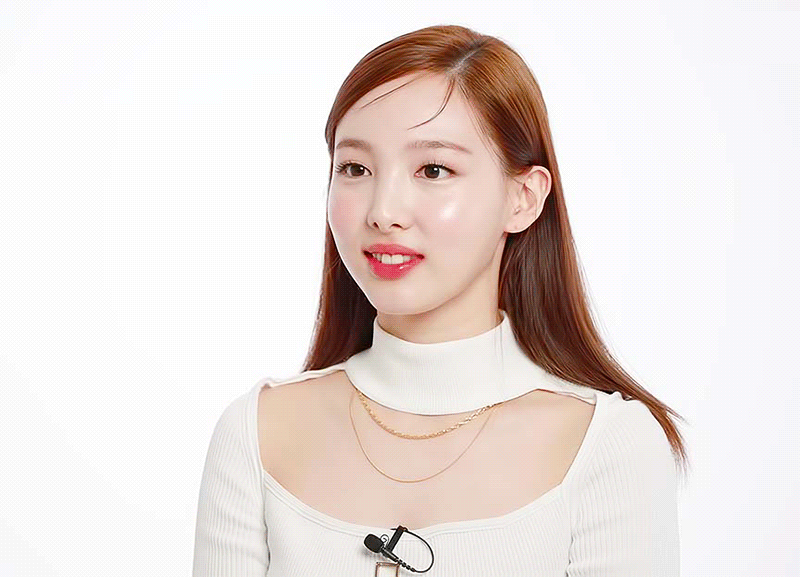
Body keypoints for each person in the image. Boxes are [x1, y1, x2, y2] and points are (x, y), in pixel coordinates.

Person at [192, 24, 689, 576]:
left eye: (433, 169)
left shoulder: (608, 447)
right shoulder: (256, 434)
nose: (384, 211)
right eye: (355, 168)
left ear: (523, 198)